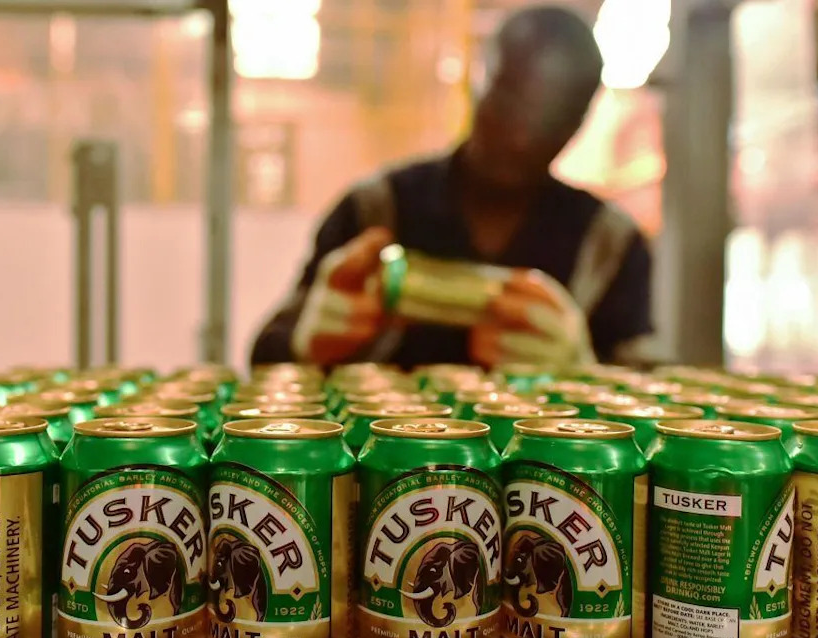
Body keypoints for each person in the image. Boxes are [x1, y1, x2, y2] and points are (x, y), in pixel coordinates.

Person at [251, 6, 653, 370]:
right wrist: (306, 341)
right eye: (509, 101)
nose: (520, 137)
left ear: (578, 126)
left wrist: (583, 371)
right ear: (476, 81)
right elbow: (264, 356)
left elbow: (649, 389)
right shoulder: (373, 210)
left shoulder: (611, 245)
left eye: (550, 120)